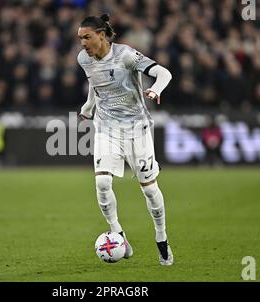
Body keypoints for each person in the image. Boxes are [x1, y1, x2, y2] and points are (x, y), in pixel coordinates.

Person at [76, 14, 174, 265]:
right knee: (102, 184)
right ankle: (118, 233)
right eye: (80, 38)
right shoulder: (84, 59)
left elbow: (163, 73)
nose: (83, 43)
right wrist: (88, 107)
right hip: (106, 129)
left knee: (150, 190)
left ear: (101, 35)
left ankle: (161, 238)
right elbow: (96, 85)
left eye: (87, 37)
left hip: (136, 129)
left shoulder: (126, 55)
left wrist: (155, 89)